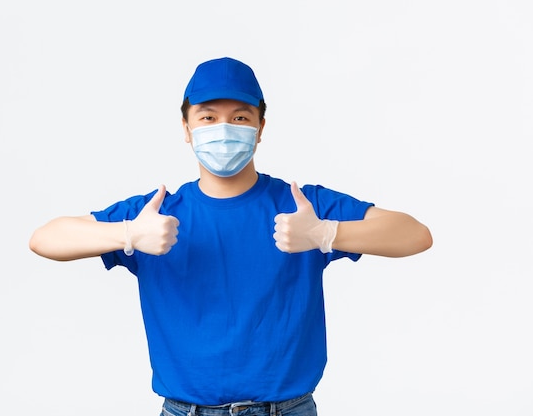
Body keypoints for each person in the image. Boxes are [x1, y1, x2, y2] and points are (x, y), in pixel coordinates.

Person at [29, 56, 432, 416]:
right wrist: (128, 233)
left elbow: (414, 234)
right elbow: (46, 238)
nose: (223, 128)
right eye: (207, 117)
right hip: (185, 410)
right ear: (186, 128)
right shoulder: (156, 213)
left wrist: (327, 232)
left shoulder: (303, 207)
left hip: (287, 409)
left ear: (260, 127)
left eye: (240, 117)